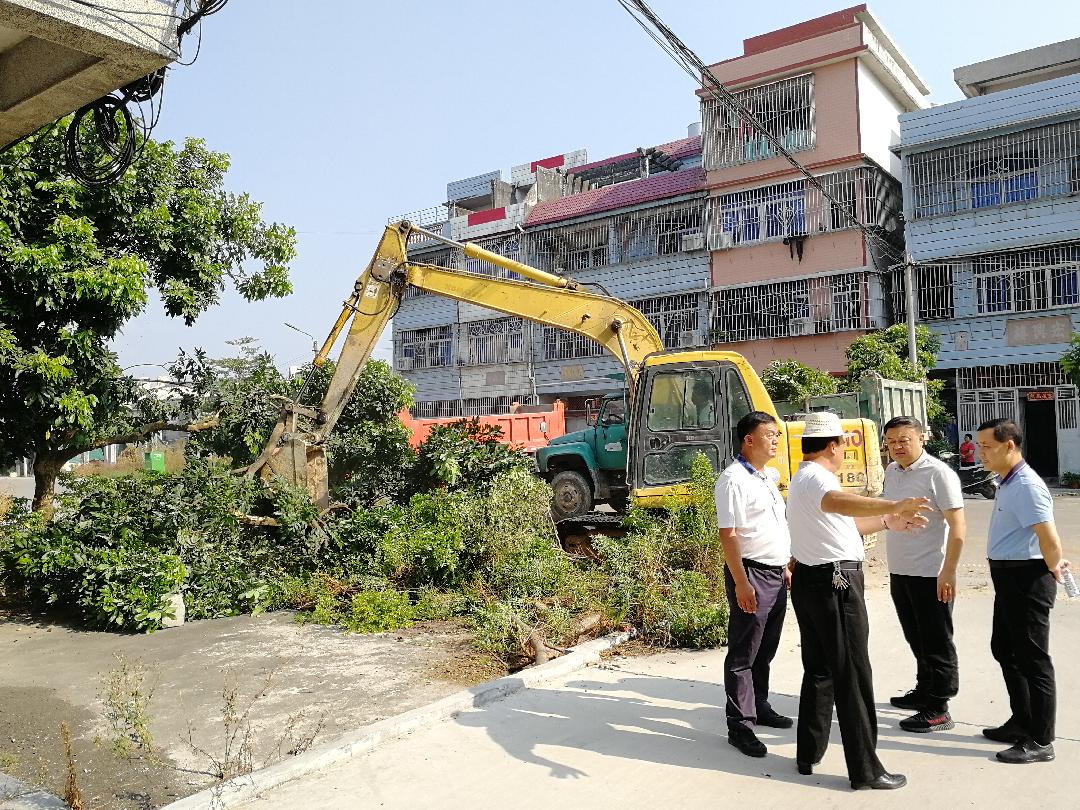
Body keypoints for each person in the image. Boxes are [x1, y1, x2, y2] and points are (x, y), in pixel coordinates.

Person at [787, 411, 930, 791]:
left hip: (811, 580)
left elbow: (841, 524)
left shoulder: (803, 478)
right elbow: (838, 503)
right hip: (835, 584)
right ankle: (866, 770)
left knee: (820, 671)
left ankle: (808, 753)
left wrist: (887, 522)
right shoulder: (820, 478)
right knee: (853, 675)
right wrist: (892, 505)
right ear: (834, 446)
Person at [976, 418, 1071, 764]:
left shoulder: (1027, 485)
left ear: (1009, 446)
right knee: (1005, 649)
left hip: (1027, 578)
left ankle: (1042, 739)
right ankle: (1022, 720)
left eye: (987, 447)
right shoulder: (1007, 481)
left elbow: (1049, 538)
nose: (980, 453)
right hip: (1008, 577)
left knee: (1033, 660)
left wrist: (1054, 569)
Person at [714, 411, 792, 759]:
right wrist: (742, 583)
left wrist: (785, 565)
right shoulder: (733, 480)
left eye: (777, 434)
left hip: (776, 573)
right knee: (744, 653)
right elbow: (728, 536)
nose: (776, 439)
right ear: (749, 440)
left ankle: (759, 705)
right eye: (770, 435)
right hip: (752, 575)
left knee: (766, 648)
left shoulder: (766, 477)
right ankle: (740, 725)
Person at [881, 417, 966, 733]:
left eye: (904, 440)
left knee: (936, 641)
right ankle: (924, 689)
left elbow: (958, 525)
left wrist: (949, 571)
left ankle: (939, 707)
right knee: (915, 636)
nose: (898, 447)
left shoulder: (939, 474)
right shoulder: (892, 471)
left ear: (921, 438)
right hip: (900, 570)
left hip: (931, 573)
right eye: (891, 442)